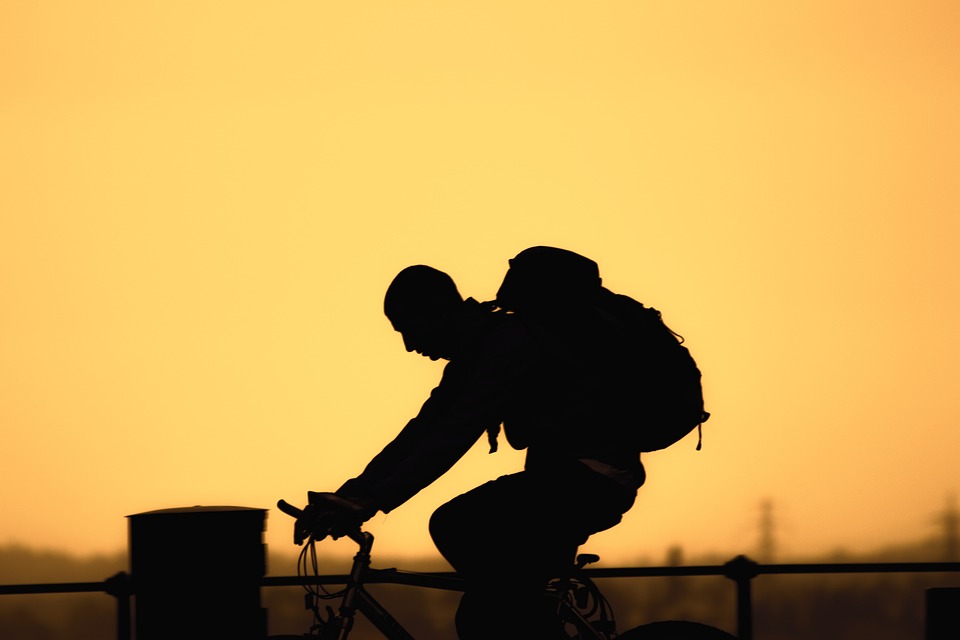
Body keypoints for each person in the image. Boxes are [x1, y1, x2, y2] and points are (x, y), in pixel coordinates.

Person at [300, 263, 643, 639]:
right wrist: (349, 494)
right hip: (563, 479)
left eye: (409, 329)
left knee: (461, 544)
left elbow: (454, 432)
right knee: (491, 612)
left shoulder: (508, 343)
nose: (409, 346)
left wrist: (377, 499)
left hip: (591, 479)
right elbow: (420, 432)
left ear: (437, 310)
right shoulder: (478, 351)